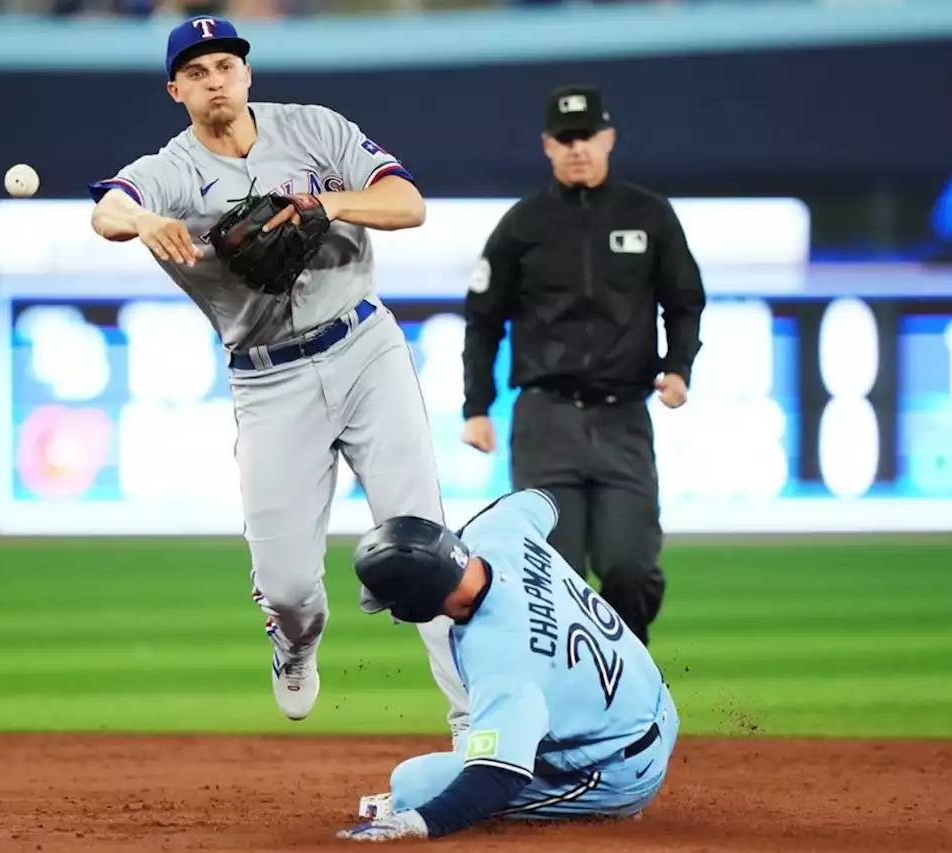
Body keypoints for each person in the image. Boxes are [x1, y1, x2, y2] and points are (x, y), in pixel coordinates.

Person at [86, 16, 468, 739]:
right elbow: (108, 207)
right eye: (196, 73)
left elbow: (407, 204)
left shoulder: (315, 131)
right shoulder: (171, 169)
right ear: (176, 90)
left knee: (424, 541)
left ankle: (475, 722)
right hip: (268, 381)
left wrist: (329, 204)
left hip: (364, 349)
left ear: (247, 74)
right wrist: (138, 221)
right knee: (290, 586)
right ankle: (294, 643)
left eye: (226, 65)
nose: (215, 80)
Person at [460, 83, 706, 646]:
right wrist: (477, 407)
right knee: (554, 578)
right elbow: (483, 319)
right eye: (565, 138)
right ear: (548, 145)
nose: (577, 148)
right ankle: (572, 714)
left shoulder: (649, 215)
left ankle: (631, 693)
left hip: (623, 419)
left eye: (587, 136)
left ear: (609, 138)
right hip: (546, 422)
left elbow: (684, 301)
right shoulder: (523, 224)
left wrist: (679, 367)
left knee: (630, 568)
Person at [337, 489, 679, 842]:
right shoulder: (498, 530)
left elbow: (498, 776)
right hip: (654, 708)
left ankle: (609, 805)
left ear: (417, 603)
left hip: (620, 770)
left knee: (416, 786)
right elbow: (541, 499)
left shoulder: (500, 659)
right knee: (491, 732)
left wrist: (416, 822)